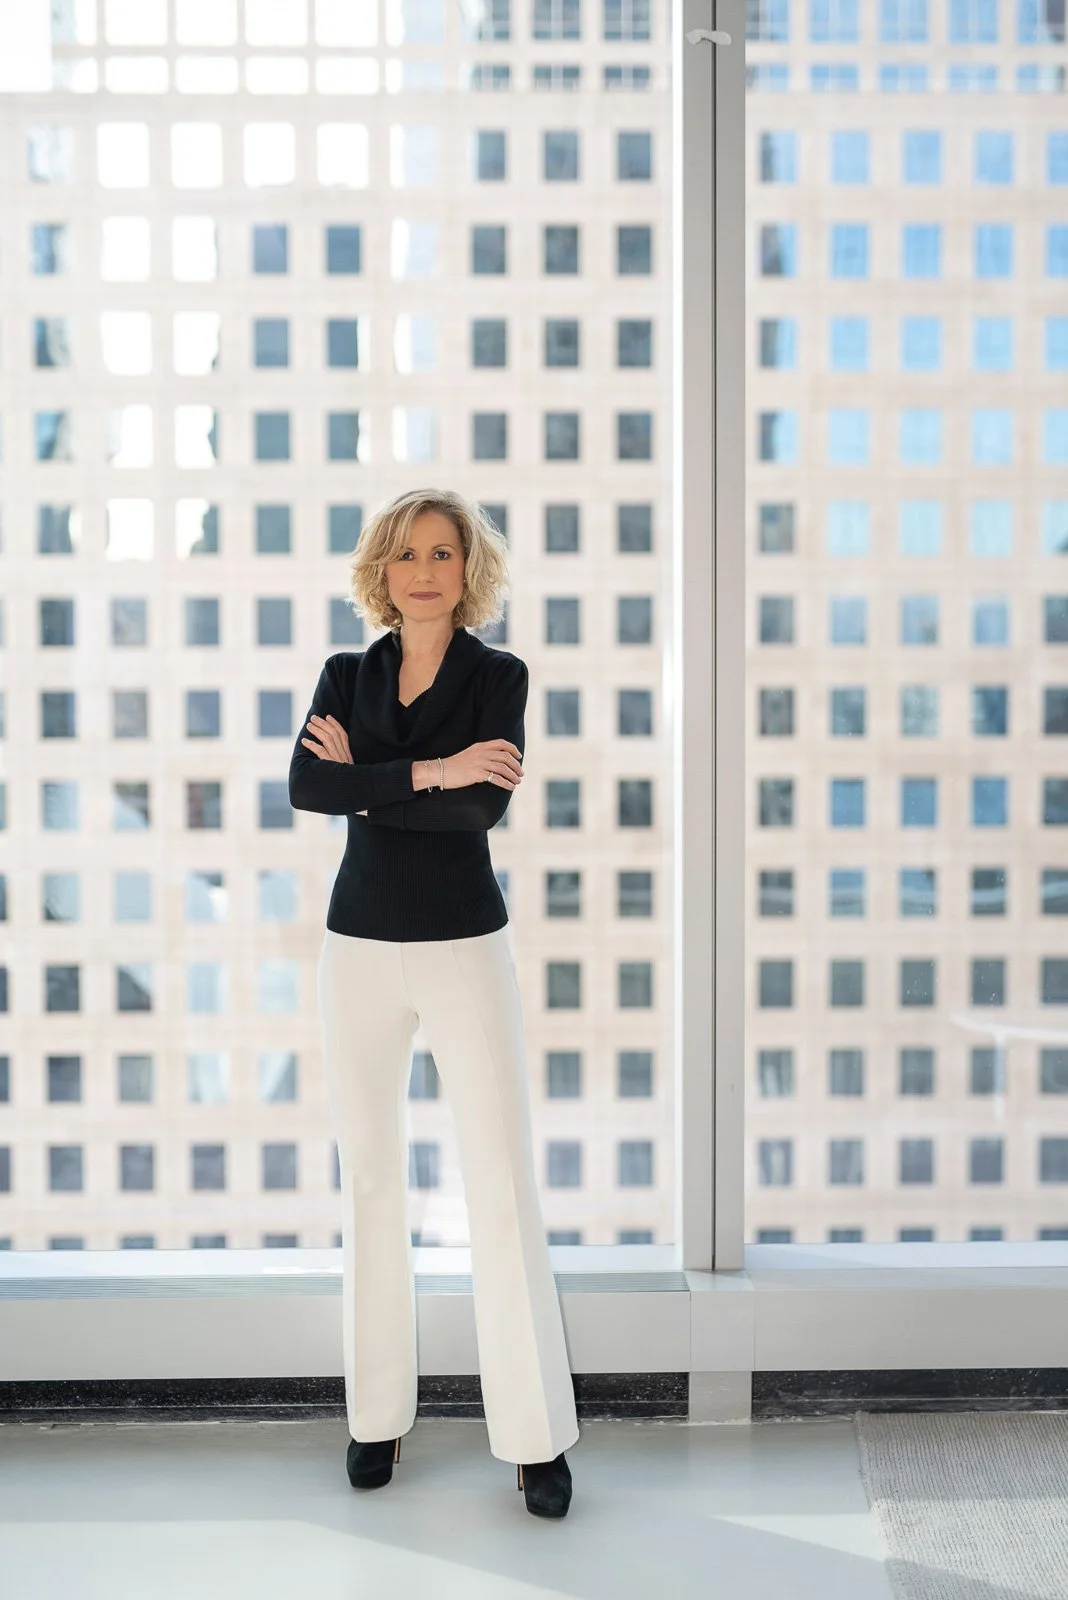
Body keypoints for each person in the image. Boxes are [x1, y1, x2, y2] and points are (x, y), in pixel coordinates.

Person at [288, 488, 579, 1519]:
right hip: (356, 949)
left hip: (464, 946)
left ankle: (537, 1441)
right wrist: (432, 771)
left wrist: (375, 778)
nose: (424, 569)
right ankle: (374, 1420)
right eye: (407, 553)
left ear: (468, 571)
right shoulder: (342, 673)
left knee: (498, 1181)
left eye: (444, 553)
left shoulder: (499, 676)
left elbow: (480, 811)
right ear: (384, 567)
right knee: (371, 1179)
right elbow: (306, 792)